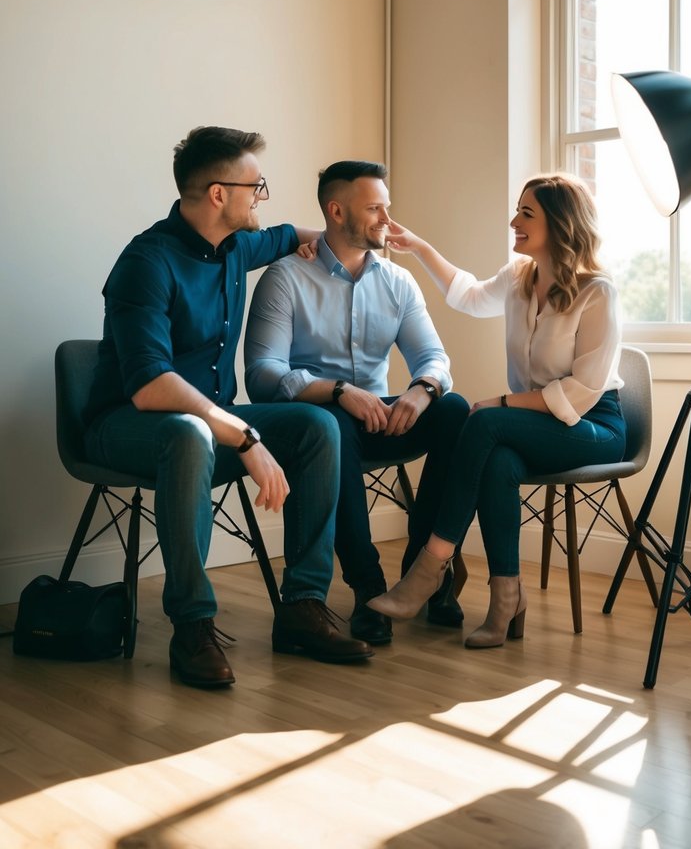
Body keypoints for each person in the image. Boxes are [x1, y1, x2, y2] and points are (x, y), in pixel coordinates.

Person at [83, 127, 373, 689]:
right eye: (255, 187)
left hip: (207, 421)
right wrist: (243, 436)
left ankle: (303, 607)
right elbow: (148, 386)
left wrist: (347, 237)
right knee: (190, 433)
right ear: (219, 194)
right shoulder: (146, 262)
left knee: (319, 423)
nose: (261, 196)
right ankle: (192, 626)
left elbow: (295, 234)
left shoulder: (238, 244)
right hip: (126, 424)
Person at [368, 173, 626, 649]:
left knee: (482, 419)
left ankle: (429, 567)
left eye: (526, 213)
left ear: (561, 224)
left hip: (594, 424)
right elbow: (466, 295)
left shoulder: (598, 292)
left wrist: (502, 403)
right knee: (500, 462)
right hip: (532, 424)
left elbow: (584, 389)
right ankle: (507, 599)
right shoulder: (519, 279)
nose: (514, 221)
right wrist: (420, 247)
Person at [244, 160, 470, 646]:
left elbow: (433, 357)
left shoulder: (397, 282)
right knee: (332, 423)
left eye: (386, 207)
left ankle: (424, 573)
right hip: (318, 420)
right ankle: (368, 587)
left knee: (456, 412)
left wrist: (422, 389)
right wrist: (338, 391)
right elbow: (263, 376)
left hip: (381, 415)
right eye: (374, 208)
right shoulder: (285, 279)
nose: (386, 219)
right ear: (336, 210)